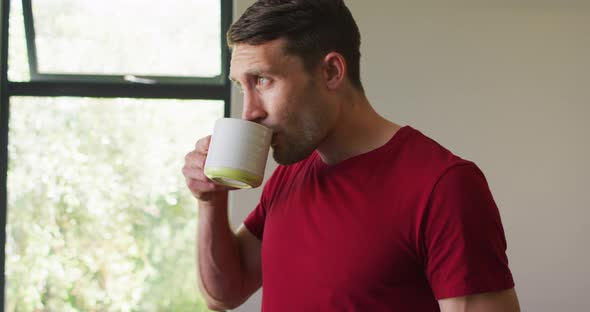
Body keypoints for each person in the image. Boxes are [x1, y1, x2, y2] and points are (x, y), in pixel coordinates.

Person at [182, 0, 520, 311]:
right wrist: (210, 200)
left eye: (263, 80)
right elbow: (224, 293)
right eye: (243, 86)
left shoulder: (445, 187)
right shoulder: (291, 174)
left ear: (331, 72)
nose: (249, 112)